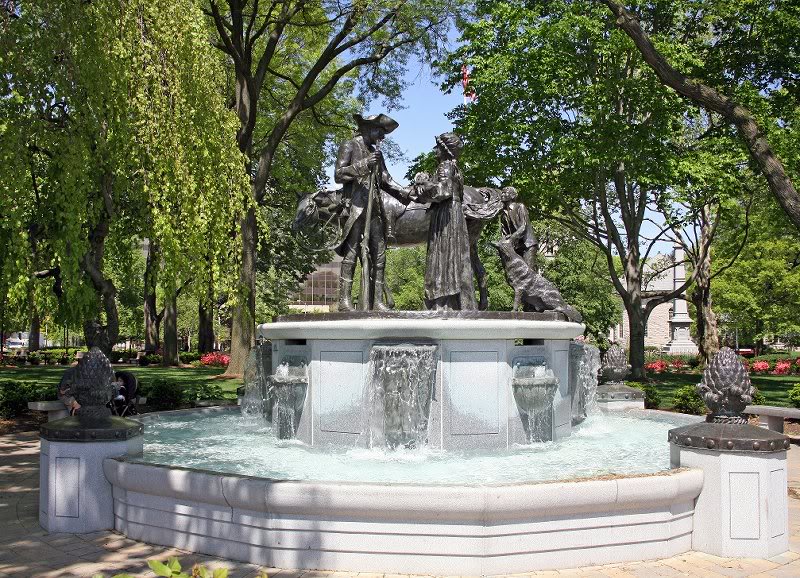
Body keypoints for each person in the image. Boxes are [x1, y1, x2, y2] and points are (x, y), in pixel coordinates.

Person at [333, 113, 411, 310]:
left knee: (379, 254)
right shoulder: (350, 145)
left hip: (375, 208)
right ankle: (344, 302)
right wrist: (364, 165)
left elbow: (385, 178)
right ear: (368, 128)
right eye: (380, 131)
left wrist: (405, 191)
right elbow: (339, 174)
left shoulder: (377, 152)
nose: (382, 136)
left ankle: (377, 301)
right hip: (356, 207)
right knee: (351, 254)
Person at [414, 132, 477, 311]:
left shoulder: (445, 167)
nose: (435, 151)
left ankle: (442, 302)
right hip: (454, 214)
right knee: (453, 256)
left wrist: (424, 185)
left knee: (443, 255)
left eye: (438, 147)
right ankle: (452, 301)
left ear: (445, 150)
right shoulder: (454, 167)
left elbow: (443, 191)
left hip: (446, 216)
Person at [499, 186, 538, 311]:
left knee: (528, 274)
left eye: (505, 193)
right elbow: (504, 231)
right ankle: (526, 304)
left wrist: (511, 239)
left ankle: (532, 306)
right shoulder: (503, 213)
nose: (502, 194)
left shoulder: (520, 207)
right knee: (515, 276)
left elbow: (523, 227)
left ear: (512, 196)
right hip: (516, 246)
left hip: (527, 244)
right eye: (502, 192)